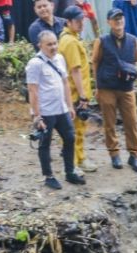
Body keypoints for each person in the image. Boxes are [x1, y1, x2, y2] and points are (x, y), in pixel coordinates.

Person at [27, 31, 85, 189]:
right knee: (45, 143)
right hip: (46, 111)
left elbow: (65, 83)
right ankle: (49, 176)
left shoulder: (59, 59)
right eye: (49, 44)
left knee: (70, 138)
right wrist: (37, 115)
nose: (53, 47)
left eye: (54, 43)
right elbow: (32, 90)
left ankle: (70, 171)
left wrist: (70, 106)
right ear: (40, 45)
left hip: (61, 109)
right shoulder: (35, 64)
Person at [94, 9, 137, 172]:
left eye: (121, 18)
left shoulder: (133, 40)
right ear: (109, 22)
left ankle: (134, 155)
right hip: (107, 87)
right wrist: (97, 86)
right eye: (115, 19)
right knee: (110, 123)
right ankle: (114, 154)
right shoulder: (101, 41)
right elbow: (95, 62)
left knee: (132, 122)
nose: (119, 21)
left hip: (126, 87)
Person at [58, 6, 94, 175]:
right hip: (75, 93)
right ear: (69, 22)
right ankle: (73, 164)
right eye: (77, 21)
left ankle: (80, 158)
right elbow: (75, 70)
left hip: (77, 92)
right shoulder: (70, 42)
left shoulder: (71, 38)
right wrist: (82, 96)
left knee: (79, 129)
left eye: (82, 20)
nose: (81, 23)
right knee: (74, 131)